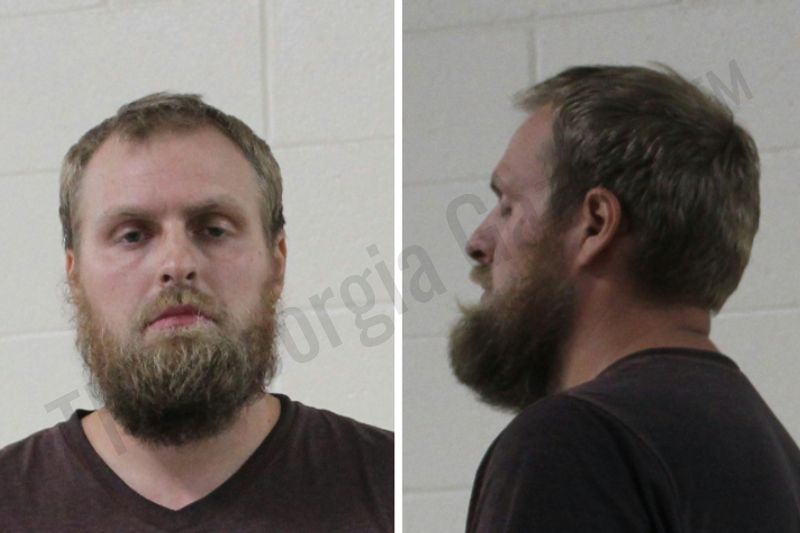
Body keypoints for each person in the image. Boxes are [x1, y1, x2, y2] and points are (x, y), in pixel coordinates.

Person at [0, 93, 393, 532]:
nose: (177, 264)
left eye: (214, 229)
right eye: (132, 235)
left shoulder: (386, 486)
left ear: (277, 261)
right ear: (75, 276)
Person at [449, 64, 800, 532]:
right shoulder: (772, 453)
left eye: (509, 206)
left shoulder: (574, 440)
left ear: (595, 224)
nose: (477, 242)